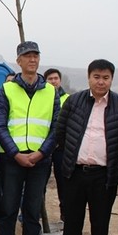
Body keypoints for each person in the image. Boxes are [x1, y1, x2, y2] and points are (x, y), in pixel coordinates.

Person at [50, 59, 118, 235]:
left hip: (104, 176)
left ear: (111, 79)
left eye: (105, 77)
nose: (101, 81)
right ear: (89, 78)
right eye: (96, 77)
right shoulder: (74, 102)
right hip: (74, 173)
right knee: (72, 223)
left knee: (100, 225)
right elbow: (61, 132)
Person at [0, 41, 59, 235]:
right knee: (8, 210)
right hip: (12, 160)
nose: (32, 60)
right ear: (18, 61)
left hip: (40, 161)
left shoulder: (51, 91)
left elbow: (55, 127)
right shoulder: (7, 90)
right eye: (27, 56)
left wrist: (41, 153)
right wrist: (15, 153)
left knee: (32, 212)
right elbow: (0, 125)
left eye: (35, 56)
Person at [44, 67, 69, 223]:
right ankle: (38, 212)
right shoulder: (43, 98)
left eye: (55, 78)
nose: (53, 81)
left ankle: (65, 213)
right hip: (45, 147)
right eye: (50, 79)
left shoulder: (69, 99)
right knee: (40, 183)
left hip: (62, 148)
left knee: (64, 182)